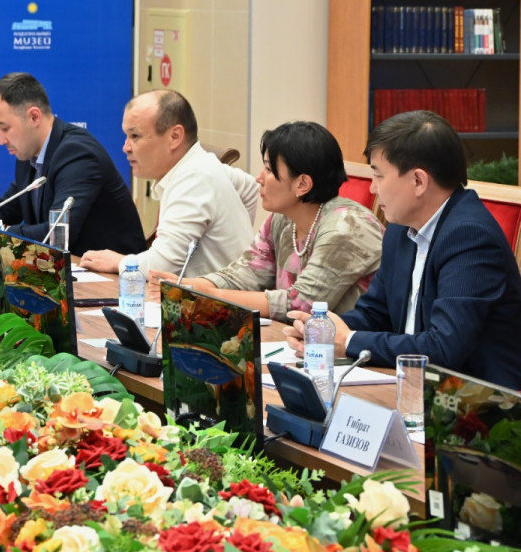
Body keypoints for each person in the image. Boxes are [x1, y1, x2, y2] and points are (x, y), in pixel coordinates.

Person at [285, 111, 521, 387]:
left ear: (418, 181)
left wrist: (348, 341)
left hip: (473, 403)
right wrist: (322, 332)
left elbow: (444, 349)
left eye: (378, 175)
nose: (372, 189)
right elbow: (375, 313)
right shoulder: (401, 229)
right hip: (407, 384)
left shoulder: (470, 237)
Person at [156, 121, 383, 322]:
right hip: (298, 341)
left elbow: (299, 304)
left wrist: (209, 296)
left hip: (353, 350)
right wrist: (189, 285)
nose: (259, 178)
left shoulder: (346, 228)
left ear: (302, 184)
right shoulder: (283, 219)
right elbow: (247, 273)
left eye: (268, 169)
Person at [0, 73, 146, 257]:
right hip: (62, 273)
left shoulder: (77, 154)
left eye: (5, 128)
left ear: (34, 117)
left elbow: (59, 232)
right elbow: (11, 205)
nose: (1, 140)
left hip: (112, 278)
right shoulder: (28, 152)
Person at [80, 89, 258, 278]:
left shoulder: (194, 176)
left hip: (214, 296)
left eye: (135, 136)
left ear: (175, 137)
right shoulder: (201, 164)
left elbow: (162, 266)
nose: (126, 147)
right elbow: (250, 188)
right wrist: (236, 245)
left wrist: (119, 262)